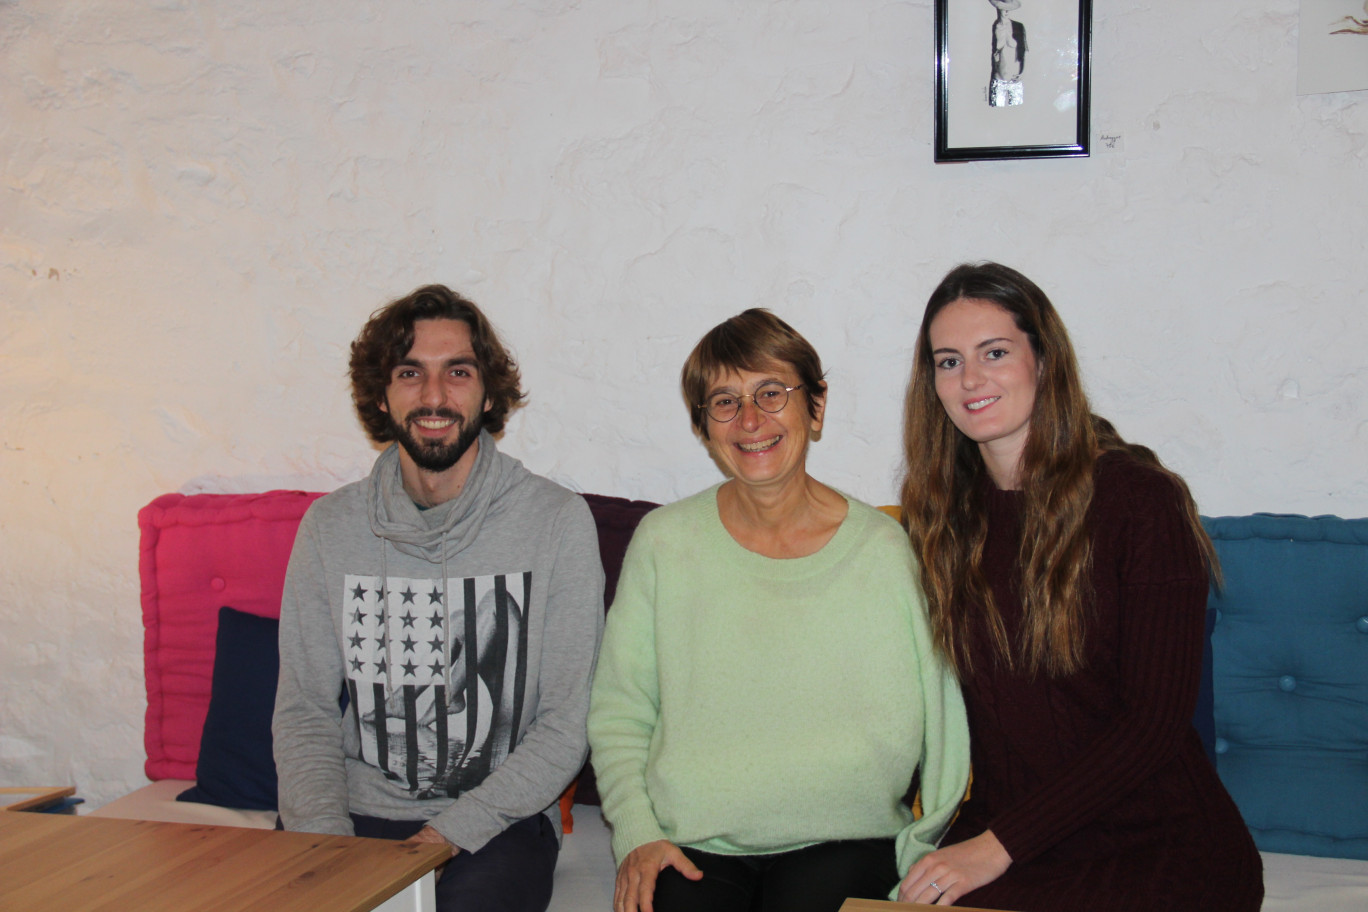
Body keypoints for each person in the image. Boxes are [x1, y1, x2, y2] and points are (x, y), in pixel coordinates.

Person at [896, 263, 1263, 911]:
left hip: (1162, 843)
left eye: (996, 353)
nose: (970, 379)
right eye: (948, 361)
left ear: (1045, 359)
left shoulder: (1141, 501)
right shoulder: (938, 515)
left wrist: (995, 846)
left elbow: (1153, 724)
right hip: (1020, 839)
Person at [588, 309, 970, 912]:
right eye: (724, 401)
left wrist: (925, 846)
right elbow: (620, 713)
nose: (750, 420)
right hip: (691, 847)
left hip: (847, 838)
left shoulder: (883, 551)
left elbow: (944, 718)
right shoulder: (664, 542)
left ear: (816, 408)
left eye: (772, 393)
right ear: (704, 427)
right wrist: (638, 832)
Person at [272, 284, 605, 912]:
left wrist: (444, 837)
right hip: (349, 813)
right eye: (410, 373)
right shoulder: (330, 528)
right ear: (381, 393)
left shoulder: (556, 522)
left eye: (457, 372)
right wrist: (328, 845)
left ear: (487, 392)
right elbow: (304, 711)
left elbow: (566, 723)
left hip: (495, 824)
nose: (433, 396)